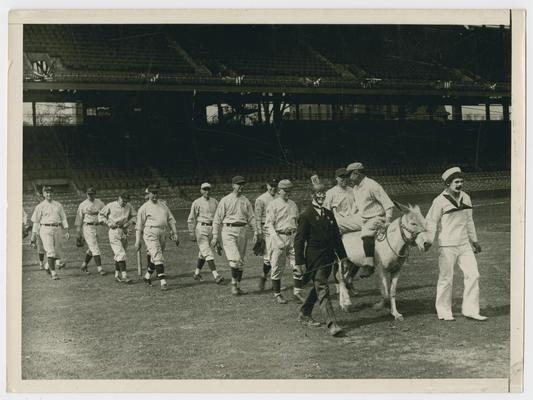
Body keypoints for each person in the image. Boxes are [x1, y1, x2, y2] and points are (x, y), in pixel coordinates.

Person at [423, 167, 487, 321]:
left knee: (473, 275)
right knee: (446, 278)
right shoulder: (439, 201)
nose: (459, 185)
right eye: (456, 182)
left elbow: (469, 220)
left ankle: (470, 310)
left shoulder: (466, 197)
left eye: (461, 181)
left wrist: (475, 240)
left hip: (464, 244)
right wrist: (429, 240)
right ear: (448, 184)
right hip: (447, 245)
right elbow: (431, 221)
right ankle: (444, 312)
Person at [294, 176, 349, 337]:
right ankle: (332, 324)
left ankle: (304, 312)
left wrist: (343, 257)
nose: (321, 196)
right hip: (314, 259)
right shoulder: (306, 215)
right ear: (312, 195)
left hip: (328, 258)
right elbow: (299, 240)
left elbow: (336, 238)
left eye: (323, 193)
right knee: (323, 289)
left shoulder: (329, 214)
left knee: (319, 286)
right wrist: (299, 262)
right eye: (318, 193)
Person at [347, 162, 394, 277]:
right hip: (362, 218)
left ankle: (369, 265)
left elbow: (388, 204)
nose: (349, 178)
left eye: (350, 175)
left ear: (357, 173)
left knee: (367, 232)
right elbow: (356, 207)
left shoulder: (372, 185)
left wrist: (387, 221)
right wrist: (348, 218)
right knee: (338, 223)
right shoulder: (356, 188)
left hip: (376, 217)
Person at [211, 176, 256, 296]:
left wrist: (256, 231)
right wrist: (215, 237)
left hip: (242, 230)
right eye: (238, 184)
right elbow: (217, 219)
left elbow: (251, 218)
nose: (241, 186)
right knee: (235, 259)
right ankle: (233, 284)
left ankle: (238, 286)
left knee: (240, 261)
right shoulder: (225, 200)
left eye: (242, 184)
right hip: (228, 230)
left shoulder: (245, 201)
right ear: (233, 185)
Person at [264, 179, 303, 304]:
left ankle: (297, 292)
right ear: (279, 190)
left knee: (297, 264)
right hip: (278, 237)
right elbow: (269, 225)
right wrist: (277, 240)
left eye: (289, 190)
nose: (287, 193)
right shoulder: (273, 204)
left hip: (292, 236)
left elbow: (297, 221)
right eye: (285, 190)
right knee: (277, 266)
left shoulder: (293, 204)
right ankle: (277, 294)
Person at [135, 184, 179, 291]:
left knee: (156, 256)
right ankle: (163, 282)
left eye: (156, 193)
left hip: (162, 231)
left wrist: (175, 232)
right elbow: (139, 225)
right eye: (152, 193)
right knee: (157, 256)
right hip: (150, 232)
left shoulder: (163, 205)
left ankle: (147, 276)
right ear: (148, 194)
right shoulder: (144, 207)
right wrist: (137, 241)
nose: (155, 195)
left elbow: (170, 219)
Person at [187, 182, 224, 284]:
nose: (206, 191)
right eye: (204, 189)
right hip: (201, 228)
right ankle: (216, 275)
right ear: (201, 190)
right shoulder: (196, 202)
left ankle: (197, 273)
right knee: (207, 252)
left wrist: (217, 238)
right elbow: (191, 218)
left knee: (203, 253)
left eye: (208, 189)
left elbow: (219, 217)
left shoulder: (215, 202)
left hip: (212, 228)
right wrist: (191, 232)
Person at [29, 186, 70, 280]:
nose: (49, 194)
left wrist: (67, 230)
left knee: (57, 251)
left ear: (53, 193)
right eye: (46, 192)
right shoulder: (40, 206)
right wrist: (33, 236)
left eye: (50, 192)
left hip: (57, 228)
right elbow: (36, 222)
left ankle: (47, 266)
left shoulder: (58, 205)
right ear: (43, 194)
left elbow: (63, 218)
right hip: (45, 229)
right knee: (50, 251)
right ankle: (53, 273)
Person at [99, 192, 137, 283]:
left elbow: (135, 216)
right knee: (121, 253)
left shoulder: (129, 206)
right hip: (114, 231)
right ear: (119, 198)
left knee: (119, 254)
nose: (124, 203)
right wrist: (108, 223)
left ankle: (117, 275)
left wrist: (128, 223)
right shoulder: (111, 205)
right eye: (123, 201)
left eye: (126, 201)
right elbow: (100, 215)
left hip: (124, 231)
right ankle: (124, 276)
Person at [76, 187, 106, 275]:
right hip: (88, 227)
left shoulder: (100, 203)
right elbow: (79, 218)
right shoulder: (82, 204)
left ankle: (84, 264)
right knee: (95, 248)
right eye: (88, 194)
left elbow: (106, 212)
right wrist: (78, 232)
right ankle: (100, 268)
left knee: (91, 248)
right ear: (86, 194)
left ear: (95, 194)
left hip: (98, 227)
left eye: (92, 194)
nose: (90, 195)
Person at [254, 178, 278, 290]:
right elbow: (257, 218)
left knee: (277, 256)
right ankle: (264, 276)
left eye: (275, 185)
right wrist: (258, 233)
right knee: (268, 257)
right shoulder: (261, 199)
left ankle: (275, 282)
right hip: (266, 228)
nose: (273, 188)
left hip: (278, 228)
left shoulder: (279, 197)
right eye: (271, 185)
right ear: (267, 185)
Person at [323, 167, 361, 234]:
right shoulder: (330, 193)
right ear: (336, 178)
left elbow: (358, 206)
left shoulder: (352, 190)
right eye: (342, 177)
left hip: (353, 220)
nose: (345, 179)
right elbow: (326, 211)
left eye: (346, 177)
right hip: (340, 222)